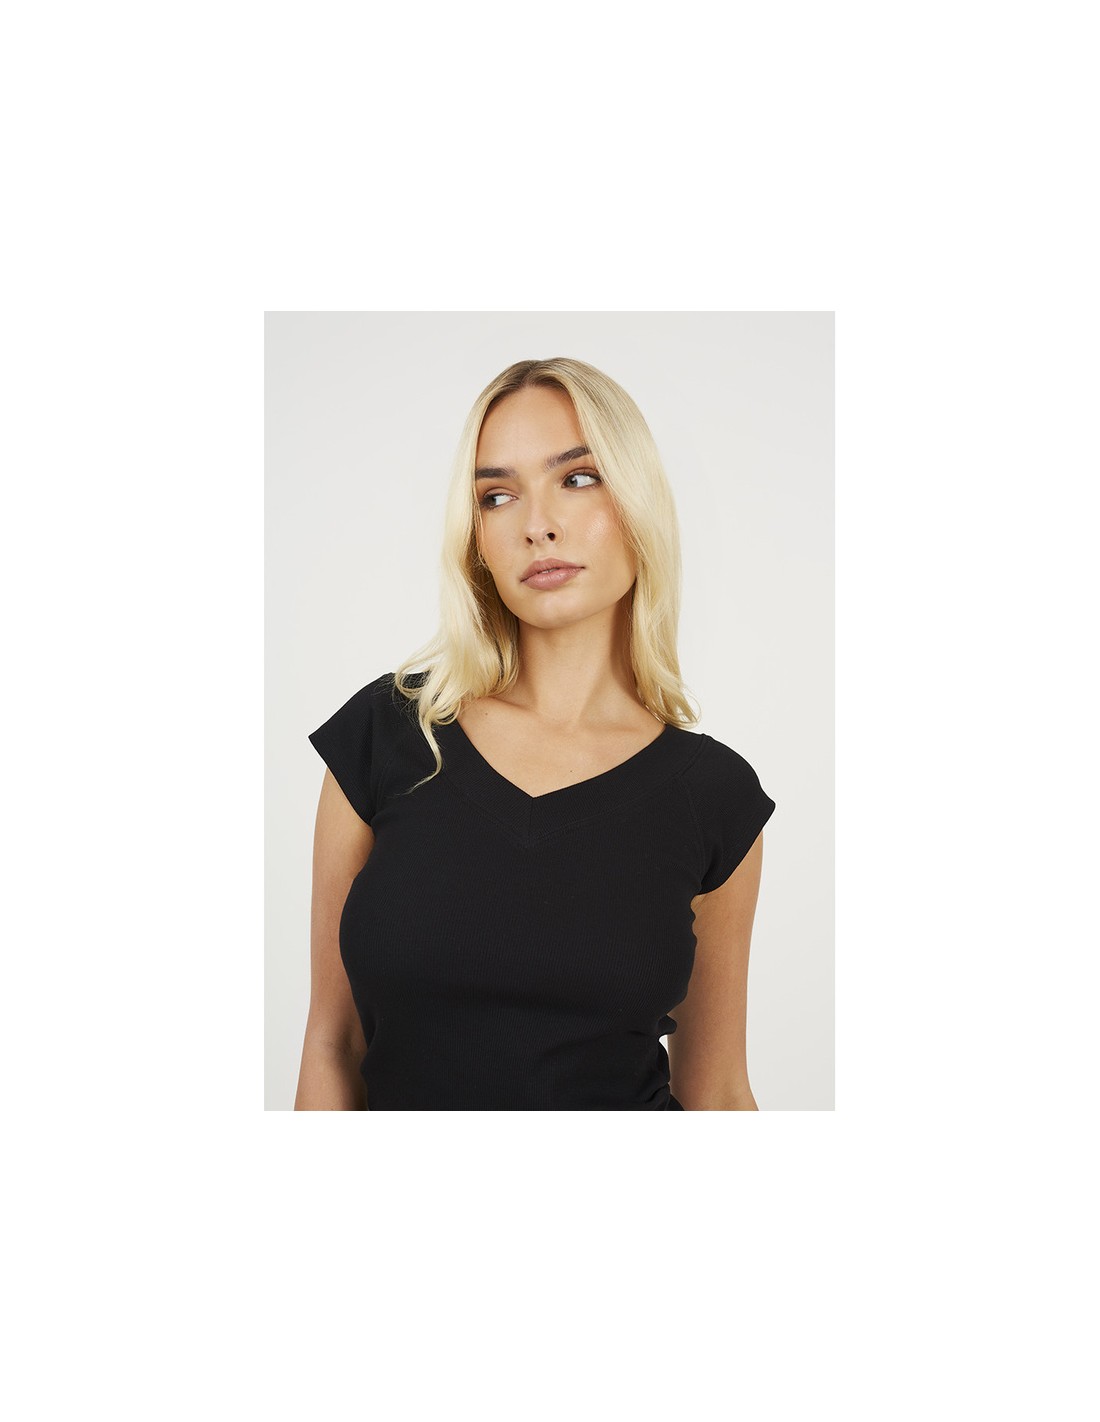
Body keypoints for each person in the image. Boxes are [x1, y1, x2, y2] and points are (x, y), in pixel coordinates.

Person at [294, 357, 776, 1111]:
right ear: (476, 538)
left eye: (577, 478)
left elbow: (715, 1091)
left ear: (638, 502)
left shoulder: (714, 796)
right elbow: (332, 1042)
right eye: (497, 495)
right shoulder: (389, 735)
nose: (537, 525)